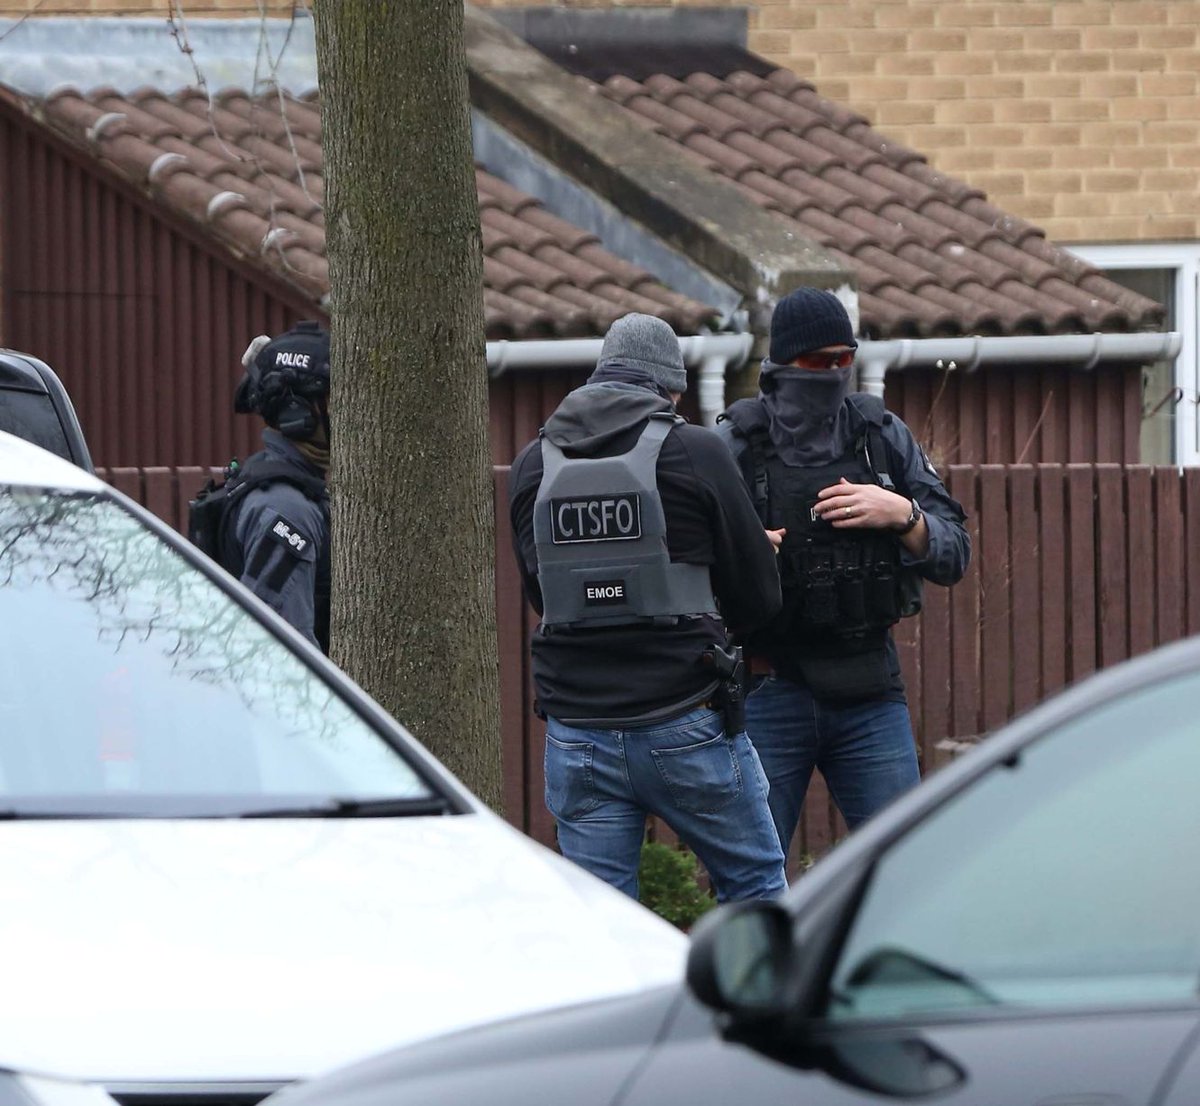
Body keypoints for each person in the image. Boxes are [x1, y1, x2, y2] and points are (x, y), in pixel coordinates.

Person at [508, 312, 787, 902]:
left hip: (578, 729)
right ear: (671, 388)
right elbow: (760, 594)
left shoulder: (534, 464)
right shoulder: (695, 451)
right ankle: (758, 997)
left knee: (603, 922)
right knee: (755, 889)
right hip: (684, 714)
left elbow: (544, 594)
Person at [716, 286, 970, 858]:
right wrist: (742, 547)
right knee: (753, 878)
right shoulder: (736, 444)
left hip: (868, 690)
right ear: (782, 364)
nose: (833, 373)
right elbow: (681, 556)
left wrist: (900, 513)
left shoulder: (881, 437)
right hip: (768, 689)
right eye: (816, 363)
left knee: (904, 867)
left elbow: (955, 552)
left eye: (844, 360)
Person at [211, 320, 331, 652]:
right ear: (299, 411)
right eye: (336, 398)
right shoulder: (287, 509)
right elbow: (284, 653)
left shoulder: (291, 489)